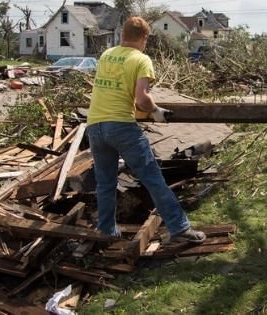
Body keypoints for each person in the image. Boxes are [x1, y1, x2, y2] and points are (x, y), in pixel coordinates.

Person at [86, 16, 206, 243]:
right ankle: (180, 228)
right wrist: (155, 111)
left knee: (105, 183)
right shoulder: (141, 60)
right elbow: (142, 98)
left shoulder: (106, 55)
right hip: (121, 125)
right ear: (145, 38)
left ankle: (107, 231)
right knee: (152, 178)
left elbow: (113, 89)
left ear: (122, 35)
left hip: (95, 125)